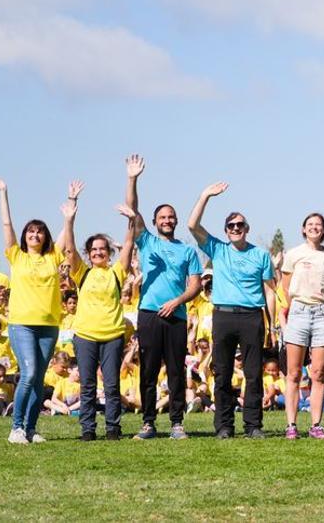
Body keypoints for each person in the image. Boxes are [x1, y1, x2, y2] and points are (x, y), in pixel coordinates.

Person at [0, 175, 79, 444]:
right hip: (21, 324)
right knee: (28, 373)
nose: (34, 234)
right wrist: (3, 192)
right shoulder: (16, 255)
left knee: (39, 378)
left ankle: (30, 428)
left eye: (39, 231)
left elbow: (66, 232)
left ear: (45, 236)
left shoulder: (53, 256)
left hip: (49, 325)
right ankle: (15, 428)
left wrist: (72, 204)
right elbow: (7, 223)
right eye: (30, 231)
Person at [188, 181, 276, 439]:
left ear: (247, 229)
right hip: (224, 316)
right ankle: (224, 425)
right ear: (226, 231)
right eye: (231, 226)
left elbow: (269, 291)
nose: (236, 229)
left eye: (240, 225)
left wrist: (271, 325)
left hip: (252, 316)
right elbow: (192, 226)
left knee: (252, 374)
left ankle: (253, 426)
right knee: (223, 372)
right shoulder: (217, 248)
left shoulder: (261, 255)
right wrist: (205, 195)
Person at [124, 154, 202, 440]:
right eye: (162, 217)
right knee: (148, 370)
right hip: (149, 314)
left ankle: (177, 423)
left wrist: (177, 302)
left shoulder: (188, 251)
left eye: (171, 217)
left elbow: (194, 285)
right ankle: (147, 423)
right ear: (155, 222)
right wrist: (133, 178)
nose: (167, 220)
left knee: (176, 371)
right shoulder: (147, 241)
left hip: (177, 316)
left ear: (176, 221)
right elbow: (133, 211)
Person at [66, 197, 136, 441]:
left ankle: (113, 428)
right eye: (93, 249)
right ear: (89, 254)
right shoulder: (81, 273)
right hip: (85, 335)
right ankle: (88, 429)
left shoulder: (116, 273)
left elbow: (128, 244)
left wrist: (131, 220)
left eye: (102, 249)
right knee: (87, 386)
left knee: (112, 386)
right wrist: (70, 220)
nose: (98, 252)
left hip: (112, 336)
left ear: (108, 254)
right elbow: (69, 248)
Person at [279, 213, 324, 440]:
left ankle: (316, 424)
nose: (314, 228)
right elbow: (286, 287)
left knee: (318, 373)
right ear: (303, 229)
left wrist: (323, 304)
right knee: (294, 373)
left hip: (323, 313)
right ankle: (291, 425)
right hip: (299, 312)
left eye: (319, 225)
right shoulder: (293, 254)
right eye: (310, 225)